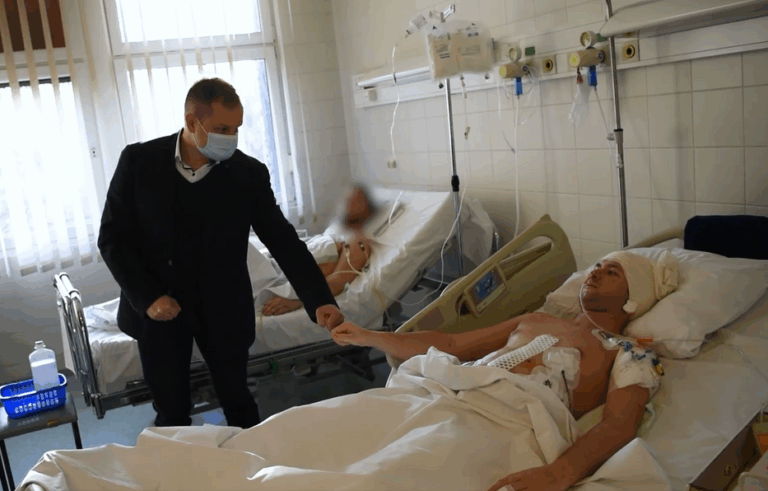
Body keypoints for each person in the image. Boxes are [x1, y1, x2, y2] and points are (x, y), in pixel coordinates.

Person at [98, 77, 345, 429]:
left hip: (223, 306)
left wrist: (319, 299)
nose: (231, 138)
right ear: (191, 122)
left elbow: (283, 241)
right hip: (160, 308)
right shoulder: (139, 163)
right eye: (222, 129)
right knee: (171, 411)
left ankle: (251, 461)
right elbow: (112, 238)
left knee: (238, 401)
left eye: (236, 128)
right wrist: (148, 297)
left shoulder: (248, 174)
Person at [331, 250, 679, 491]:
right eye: (597, 265)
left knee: (386, 473)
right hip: (450, 393)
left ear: (633, 298)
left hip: (507, 422)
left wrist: (559, 473)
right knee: (344, 431)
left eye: (612, 272)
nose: (595, 272)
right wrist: (370, 336)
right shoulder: (536, 319)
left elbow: (619, 424)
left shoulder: (629, 353)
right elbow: (450, 344)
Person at [261, 183, 376, 316]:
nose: (346, 203)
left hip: (281, 279)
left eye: (354, 201)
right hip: (275, 266)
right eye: (347, 199)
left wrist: (297, 301)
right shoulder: (338, 232)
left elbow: (338, 278)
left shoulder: (358, 240)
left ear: (366, 208)